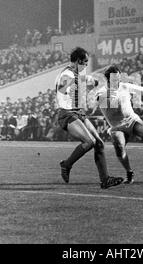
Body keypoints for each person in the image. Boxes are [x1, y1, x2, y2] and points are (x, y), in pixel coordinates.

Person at [55, 47, 123, 189]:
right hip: (67, 114)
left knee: (99, 143)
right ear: (78, 61)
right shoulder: (67, 74)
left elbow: (86, 80)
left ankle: (105, 180)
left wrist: (92, 82)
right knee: (89, 142)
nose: (86, 65)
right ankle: (66, 164)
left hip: (78, 112)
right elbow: (62, 90)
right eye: (85, 62)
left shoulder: (77, 73)